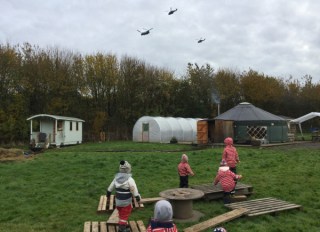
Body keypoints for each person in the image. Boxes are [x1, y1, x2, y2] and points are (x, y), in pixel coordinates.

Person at [107, 160, 141, 232]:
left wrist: (108, 193)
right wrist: (137, 197)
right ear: (128, 169)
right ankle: (122, 229)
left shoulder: (116, 178)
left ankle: (123, 224)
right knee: (125, 214)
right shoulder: (130, 179)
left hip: (118, 201)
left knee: (121, 213)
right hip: (126, 202)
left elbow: (111, 187)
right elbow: (134, 189)